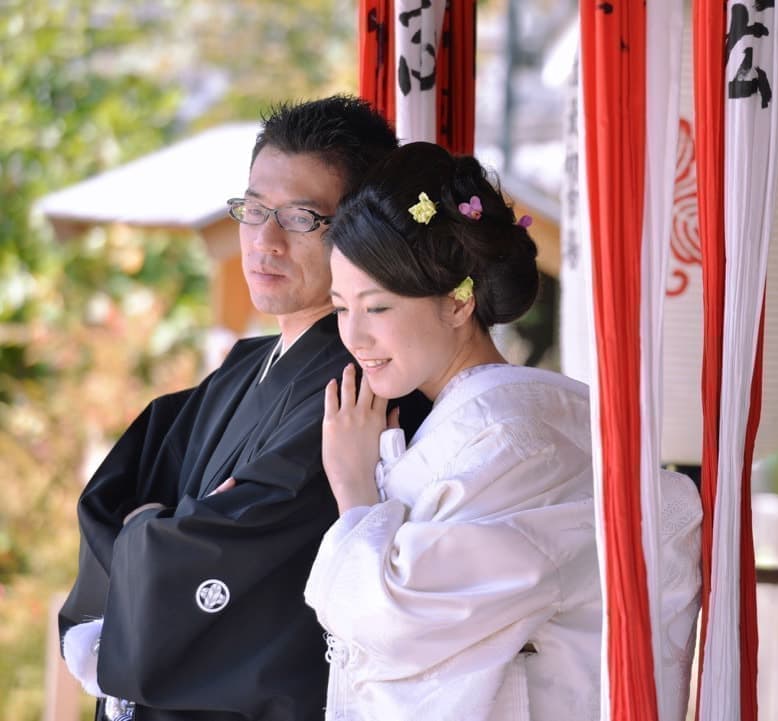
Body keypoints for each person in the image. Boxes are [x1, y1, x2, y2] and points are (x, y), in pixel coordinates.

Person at [58, 95, 431, 721]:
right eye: (253, 210)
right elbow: (117, 495)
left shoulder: (359, 386)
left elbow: (223, 548)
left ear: (361, 229)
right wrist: (164, 525)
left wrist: (149, 529)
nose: (264, 241)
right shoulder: (247, 363)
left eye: (301, 218)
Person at [304, 141, 702, 721]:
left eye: (378, 308)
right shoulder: (500, 423)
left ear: (458, 301)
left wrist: (353, 492)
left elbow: (393, 625)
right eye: (342, 308)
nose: (355, 336)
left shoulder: (510, 442)